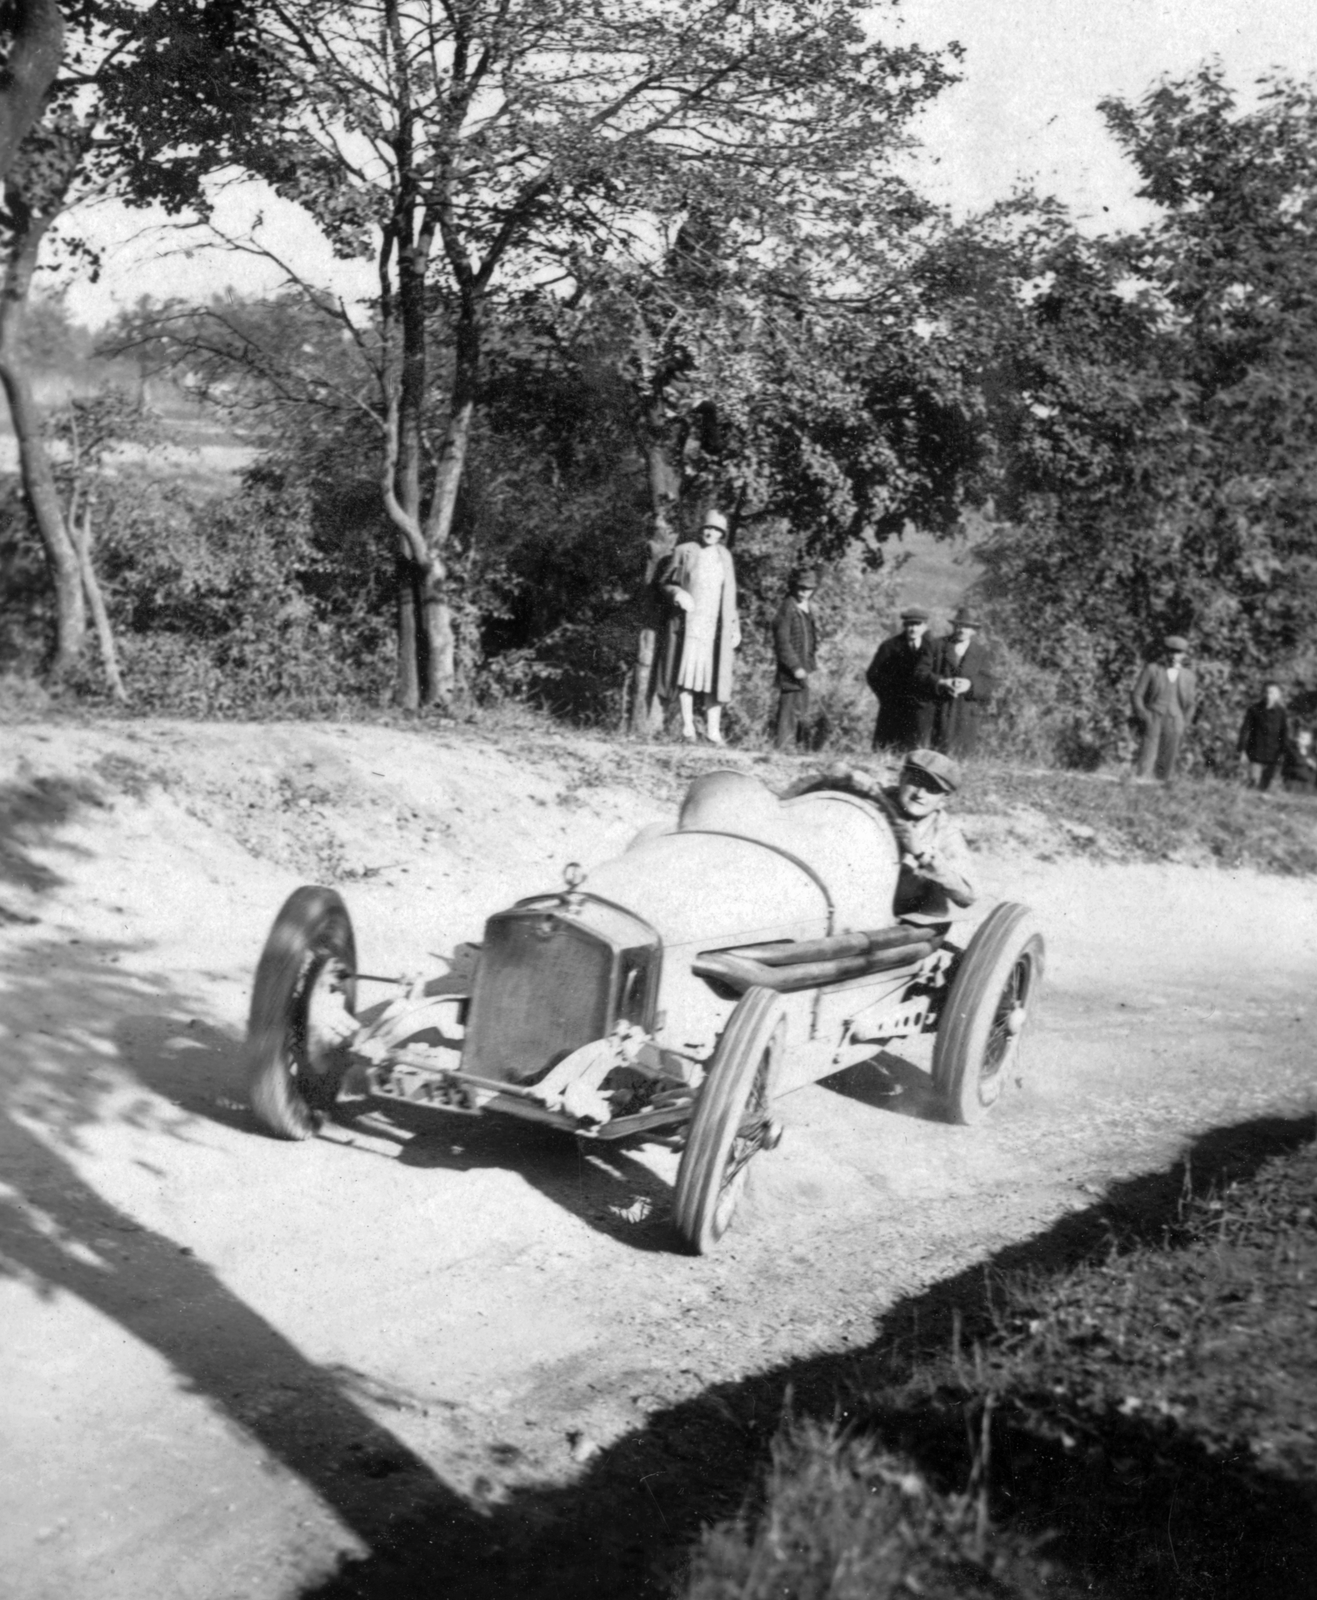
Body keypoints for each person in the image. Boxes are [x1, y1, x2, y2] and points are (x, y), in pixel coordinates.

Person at [657, 507, 741, 743]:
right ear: (701, 528)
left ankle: (714, 732)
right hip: (691, 625)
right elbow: (664, 583)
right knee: (689, 674)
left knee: (715, 677)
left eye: (716, 529)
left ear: (721, 533)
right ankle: (687, 727)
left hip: (717, 627)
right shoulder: (685, 551)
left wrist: (734, 626)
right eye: (707, 527)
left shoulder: (725, 556)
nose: (710, 533)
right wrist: (677, 593)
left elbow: (730, 595)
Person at [883, 748, 977, 925]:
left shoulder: (945, 831)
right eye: (915, 782)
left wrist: (922, 854)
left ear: (944, 798)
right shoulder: (875, 800)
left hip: (903, 918)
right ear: (901, 778)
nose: (920, 794)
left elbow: (967, 896)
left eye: (932, 789)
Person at [924, 605, 996, 759]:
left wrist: (969, 685)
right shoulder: (936, 646)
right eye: (960, 625)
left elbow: (989, 683)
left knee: (962, 762)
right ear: (954, 626)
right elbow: (920, 674)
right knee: (936, 761)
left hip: (967, 716)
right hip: (940, 712)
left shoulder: (982, 653)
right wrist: (943, 682)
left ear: (974, 630)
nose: (963, 630)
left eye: (968, 627)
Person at [865, 606, 937, 752]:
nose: (913, 629)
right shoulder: (890, 646)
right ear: (904, 625)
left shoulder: (932, 647)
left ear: (925, 626)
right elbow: (873, 674)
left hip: (920, 707)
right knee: (889, 746)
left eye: (917, 625)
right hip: (894, 705)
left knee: (916, 748)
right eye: (910, 624)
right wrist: (886, 696)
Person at [1130, 634, 1197, 782]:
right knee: (1147, 755)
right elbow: (1137, 695)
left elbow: (1191, 704)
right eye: (1171, 651)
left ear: (1184, 655)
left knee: (1168, 758)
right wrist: (1144, 715)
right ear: (1165, 653)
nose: (1174, 656)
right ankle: (1140, 785)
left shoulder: (1189, 676)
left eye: (1178, 652)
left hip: (1175, 720)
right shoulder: (1152, 669)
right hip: (1154, 716)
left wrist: (1183, 723)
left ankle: (1160, 788)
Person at [773, 564, 820, 750]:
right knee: (788, 709)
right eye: (801, 588)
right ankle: (783, 747)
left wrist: (807, 666)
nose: (804, 592)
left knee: (802, 708)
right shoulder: (788, 607)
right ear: (794, 586)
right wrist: (794, 666)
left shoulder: (806, 607)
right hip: (791, 669)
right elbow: (782, 642)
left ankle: (799, 747)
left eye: (808, 589)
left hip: (805, 667)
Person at [1236, 681, 1288, 791]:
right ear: (1263, 693)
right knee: (1253, 782)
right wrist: (1242, 750)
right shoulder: (1254, 710)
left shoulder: (1281, 712)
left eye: (1273, 693)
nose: (1269, 695)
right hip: (1255, 754)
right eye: (1267, 692)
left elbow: (1284, 734)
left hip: (1273, 756)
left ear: (1278, 695)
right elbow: (1245, 730)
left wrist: (1283, 753)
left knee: (1265, 787)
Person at [1283, 726, 1317, 794]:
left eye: (1304, 738)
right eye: (1300, 737)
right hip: (1293, 780)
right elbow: (1297, 760)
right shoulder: (1292, 750)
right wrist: (1306, 761)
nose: (1300, 740)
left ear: (1309, 742)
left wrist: (1313, 764)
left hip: (1307, 782)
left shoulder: (1310, 753)